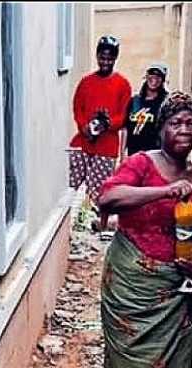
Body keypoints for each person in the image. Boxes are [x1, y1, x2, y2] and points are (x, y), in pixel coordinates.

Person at [96, 92, 192, 368]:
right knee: (137, 352)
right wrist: (163, 192)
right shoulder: (141, 164)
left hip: (181, 280)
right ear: (161, 128)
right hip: (135, 277)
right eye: (176, 123)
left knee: (180, 350)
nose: (185, 130)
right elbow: (108, 198)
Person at [68, 35, 132, 233]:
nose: (106, 62)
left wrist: (107, 124)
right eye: (102, 57)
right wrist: (83, 126)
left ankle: (95, 229)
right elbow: (77, 107)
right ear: (97, 56)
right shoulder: (86, 82)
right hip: (83, 142)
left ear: (115, 59)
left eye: (110, 58)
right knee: (70, 185)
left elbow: (124, 116)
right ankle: (68, 226)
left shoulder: (123, 84)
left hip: (106, 146)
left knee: (99, 191)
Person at [121, 63, 169, 161]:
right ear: (146, 77)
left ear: (163, 80)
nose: (154, 78)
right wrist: (122, 154)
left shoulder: (166, 102)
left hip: (155, 156)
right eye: (151, 74)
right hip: (134, 155)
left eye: (158, 76)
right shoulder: (134, 101)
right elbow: (125, 129)